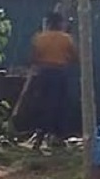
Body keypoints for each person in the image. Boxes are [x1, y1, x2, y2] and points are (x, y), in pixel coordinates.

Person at [27, 12, 76, 148]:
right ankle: (58, 137)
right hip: (60, 73)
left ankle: (39, 137)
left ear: (48, 24)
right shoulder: (66, 39)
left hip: (44, 73)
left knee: (43, 105)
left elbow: (33, 58)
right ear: (60, 23)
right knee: (60, 105)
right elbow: (74, 57)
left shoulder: (39, 38)